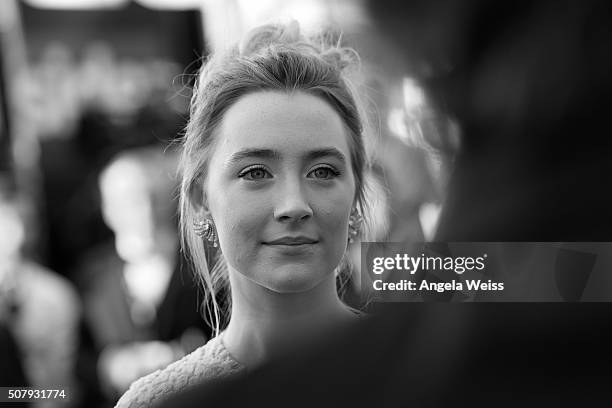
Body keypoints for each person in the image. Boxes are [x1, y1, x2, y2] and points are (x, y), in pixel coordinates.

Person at [115, 21, 371, 408]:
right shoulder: (158, 403)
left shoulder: (435, 378)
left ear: (356, 193)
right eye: (255, 173)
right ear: (202, 199)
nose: (294, 205)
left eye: (323, 171)